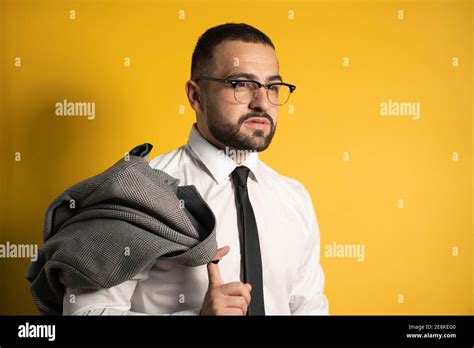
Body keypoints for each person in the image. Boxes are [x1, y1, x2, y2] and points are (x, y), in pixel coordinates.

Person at [63, 22, 329, 316]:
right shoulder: (139, 190)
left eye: (273, 87)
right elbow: (83, 312)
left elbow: (309, 308)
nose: (261, 102)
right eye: (241, 84)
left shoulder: (295, 199)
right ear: (196, 95)